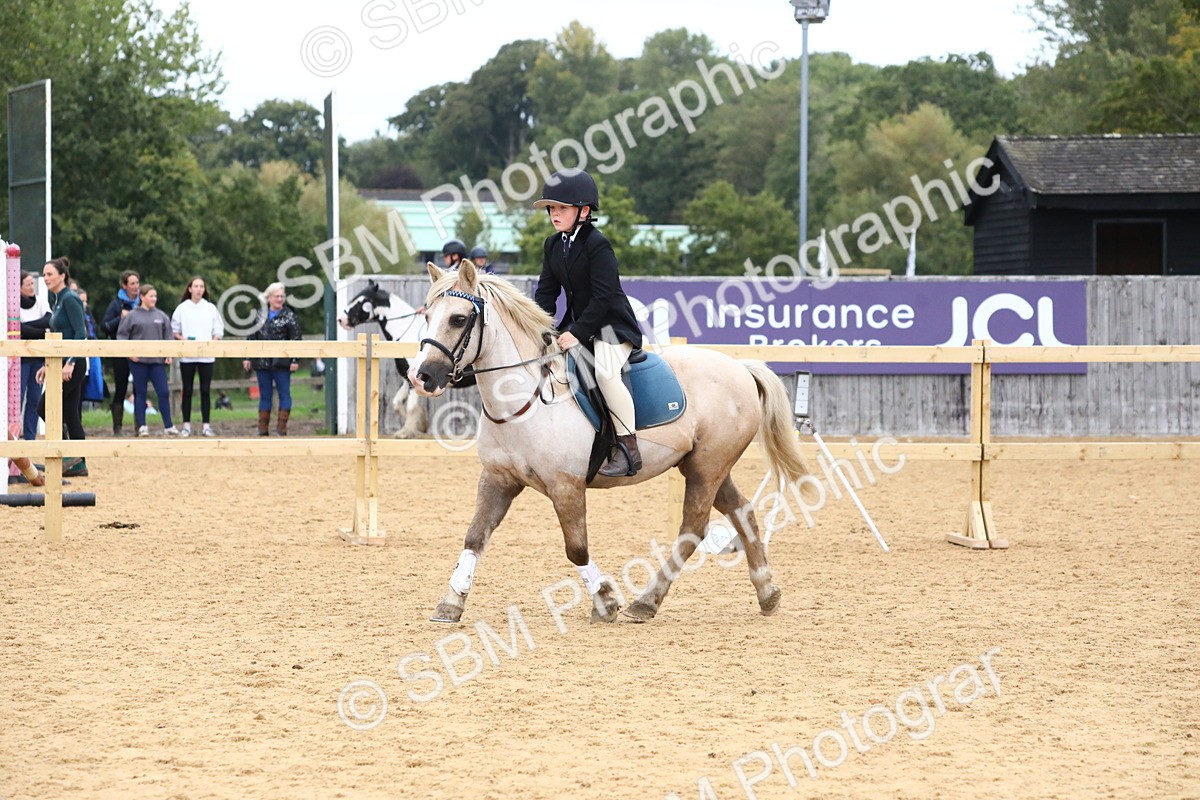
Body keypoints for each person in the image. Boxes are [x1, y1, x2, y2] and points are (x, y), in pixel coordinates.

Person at [532, 169, 644, 477]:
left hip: (611, 327)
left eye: (561, 208)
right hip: (578, 326)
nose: (554, 214)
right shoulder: (553, 246)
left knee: (606, 373)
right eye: (551, 208)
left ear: (583, 211)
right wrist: (540, 329)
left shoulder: (597, 244)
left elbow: (603, 297)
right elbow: (545, 294)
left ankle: (628, 446)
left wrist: (577, 333)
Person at [34, 257, 89, 477]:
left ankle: (70, 454)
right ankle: (79, 463)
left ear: (62, 276)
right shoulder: (57, 300)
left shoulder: (70, 299)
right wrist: (48, 364)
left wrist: (71, 362)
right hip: (60, 362)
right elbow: (57, 336)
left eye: (49, 274)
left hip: (72, 365)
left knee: (43, 408)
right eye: (44, 274)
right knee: (70, 413)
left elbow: (80, 333)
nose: (46, 278)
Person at [116, 284, 179, 437]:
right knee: (140, 394)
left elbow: (168, 336)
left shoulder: (161, 316)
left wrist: (169, 353)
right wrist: (129, 355)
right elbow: (122, 336)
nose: (153, 299)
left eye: (155, 296)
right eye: (150, 296)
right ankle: (142, 426)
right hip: (139, 362)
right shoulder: (132, 315)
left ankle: (168, 425)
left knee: (163, 392)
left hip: (157, 361)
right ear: (142, 297)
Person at [242, 282, 302, 436]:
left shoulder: (290, 316)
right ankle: (262, 430)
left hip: (282, 363)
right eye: (277, 296)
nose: (280, 299)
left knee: (285, 394)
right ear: (269, 298)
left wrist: (295, 360)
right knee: (265, 395)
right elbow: (251, 337)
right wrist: (247, 357)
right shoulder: (259, 315)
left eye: (282, 296)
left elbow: (296, 339)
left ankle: (282, 429)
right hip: (262, 362)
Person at [172, 276, 225, 437]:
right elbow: (174, 330)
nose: (199, 289)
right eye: (196, 286)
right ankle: (186, 425)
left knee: (205, 390)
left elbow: (218, 330)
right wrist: (183, 340)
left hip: (206, 356)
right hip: (188, 355)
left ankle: (206, 425)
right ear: (190, 289)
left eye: (201, 286)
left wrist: (213, 342)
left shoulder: (210, 308)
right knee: (186, 390)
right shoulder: (182, 308)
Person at [101, 270, 140, 435]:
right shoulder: (116, 304)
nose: (136, 287)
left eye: (137, 283)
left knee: (140, 387)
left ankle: (140, 426)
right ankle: (117, 427)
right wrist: (120, 318)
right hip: (120, 351)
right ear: (124, 286)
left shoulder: (142, 303)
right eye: (132, 283)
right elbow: (104, 326)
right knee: (121, 387)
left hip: (139, 350)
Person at [18, 271, 50, 441]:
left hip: (38, 358)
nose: (32, 287)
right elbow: (17, 328)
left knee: (34, 400)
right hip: (20, 360)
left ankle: (30, 438)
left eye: (32, 284)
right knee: (17, 399)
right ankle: (15, 437)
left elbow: (49, 320)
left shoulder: (40, 301)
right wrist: (39, 332)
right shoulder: (13, 304)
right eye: (28, 284)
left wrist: (27, 328)